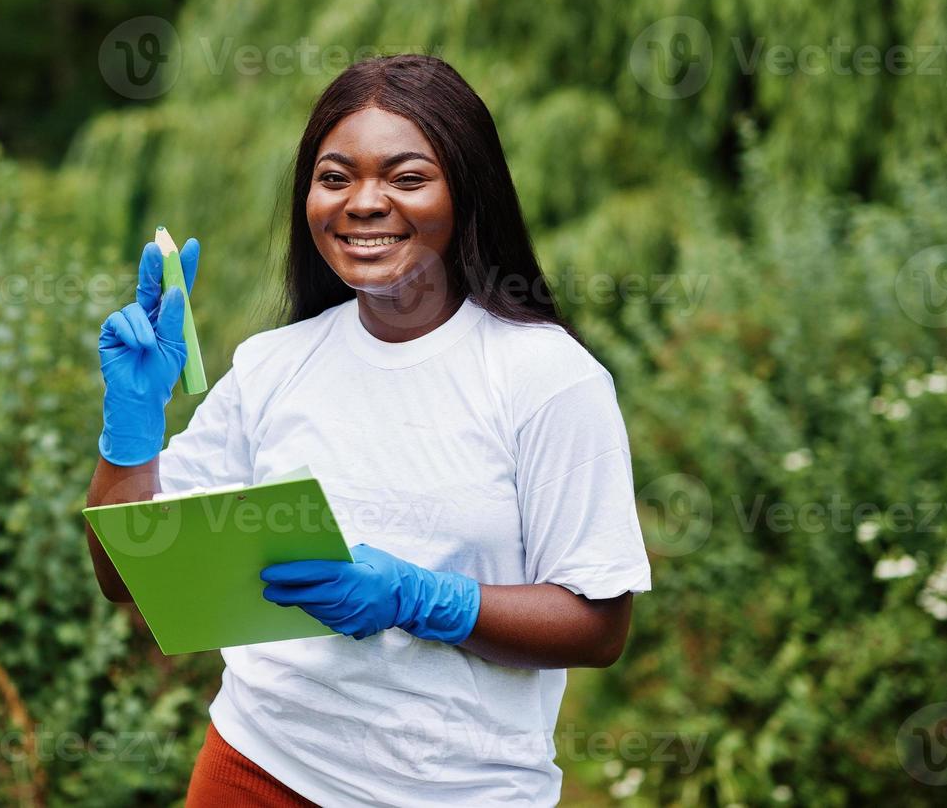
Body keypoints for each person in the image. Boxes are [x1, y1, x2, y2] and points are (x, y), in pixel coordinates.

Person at [85, 54, 652, 807]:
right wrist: (131, 430)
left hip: (458, 790)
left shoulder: (547, 379)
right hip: (256, 768)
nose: (363, 202)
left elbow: (598, 627)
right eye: (334, 177)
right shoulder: (272, 366)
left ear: (466, 192)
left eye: (407, 178)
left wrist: (419, 599)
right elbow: (125, 577)